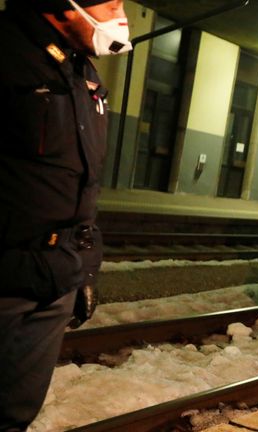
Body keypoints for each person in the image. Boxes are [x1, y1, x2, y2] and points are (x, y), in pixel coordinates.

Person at [0, 0, 130, 429]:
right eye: (110, 4)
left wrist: (86, 272)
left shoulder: (81, 72)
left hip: (55, 277)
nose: (120, 16)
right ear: (61, 6)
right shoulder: (8, 53)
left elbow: (84, 185)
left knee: (15, 412)